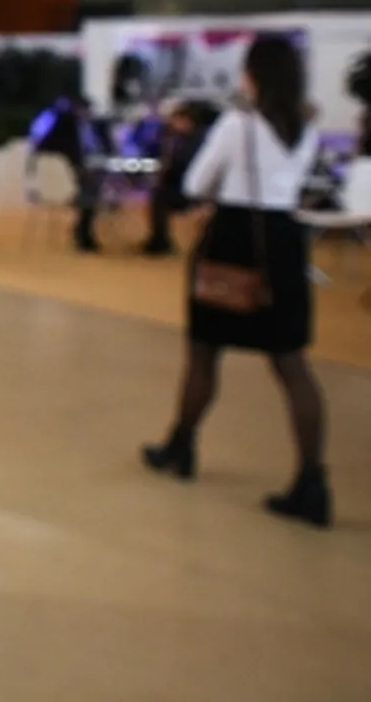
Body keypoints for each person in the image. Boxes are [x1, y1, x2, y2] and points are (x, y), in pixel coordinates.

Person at [142, 35, 329, 528]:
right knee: (291, 363)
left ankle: (181, 446)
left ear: (254, 74)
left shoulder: (237, 124)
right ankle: (312, 481)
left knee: (204, 351)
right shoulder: (306, 127)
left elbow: (196, 183)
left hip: (232, 239)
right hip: (284, 244)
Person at [29, 97, 105, 252]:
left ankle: (82, 229)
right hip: (71, 177)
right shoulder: (65, 127)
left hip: (88, 170)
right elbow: (47, 149)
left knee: (93, 189)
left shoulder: (93, 127)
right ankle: (83, 232)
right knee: (90, 191)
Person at [141, 102, 210, 256]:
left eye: (176, 120)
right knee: (158, 195)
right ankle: (159, 239)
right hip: (182, 187)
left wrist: (167, 172)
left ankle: (160, 241)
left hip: (189, 190)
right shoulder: (179, 139)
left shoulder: (194, 142)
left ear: (186, 121)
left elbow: (181, 166)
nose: (172, 124)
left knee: (159, 198)